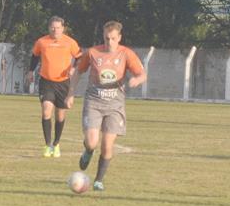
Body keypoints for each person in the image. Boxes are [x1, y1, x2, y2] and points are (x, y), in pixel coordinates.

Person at [75, 21, 146, 192]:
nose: (109, 42)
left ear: (119, 38)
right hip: (94, 102)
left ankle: (98, 180)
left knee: (107, 145)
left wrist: (137, 79)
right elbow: (78, 71)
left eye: (113, 39)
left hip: (115, 105)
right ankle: (88, 151)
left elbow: (142, 74)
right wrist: (70, 93)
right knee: (92, 142)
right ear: (103, 37)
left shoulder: (126, 54)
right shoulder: (92, 53)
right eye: (107, 38)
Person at [29, 17, 82, 157]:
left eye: (58, 27)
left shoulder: (70, 42)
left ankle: (56, 144)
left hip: (63, 83)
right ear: (49, 28)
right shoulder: (42, 41)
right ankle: (47, 145)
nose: (55, 30)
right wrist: (30, 71)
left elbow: (79, 57)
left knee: (60, 115)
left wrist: (73, 68)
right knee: (46, 110)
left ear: (63, 28)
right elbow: (34, 56)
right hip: (46, 82)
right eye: (52, 27)